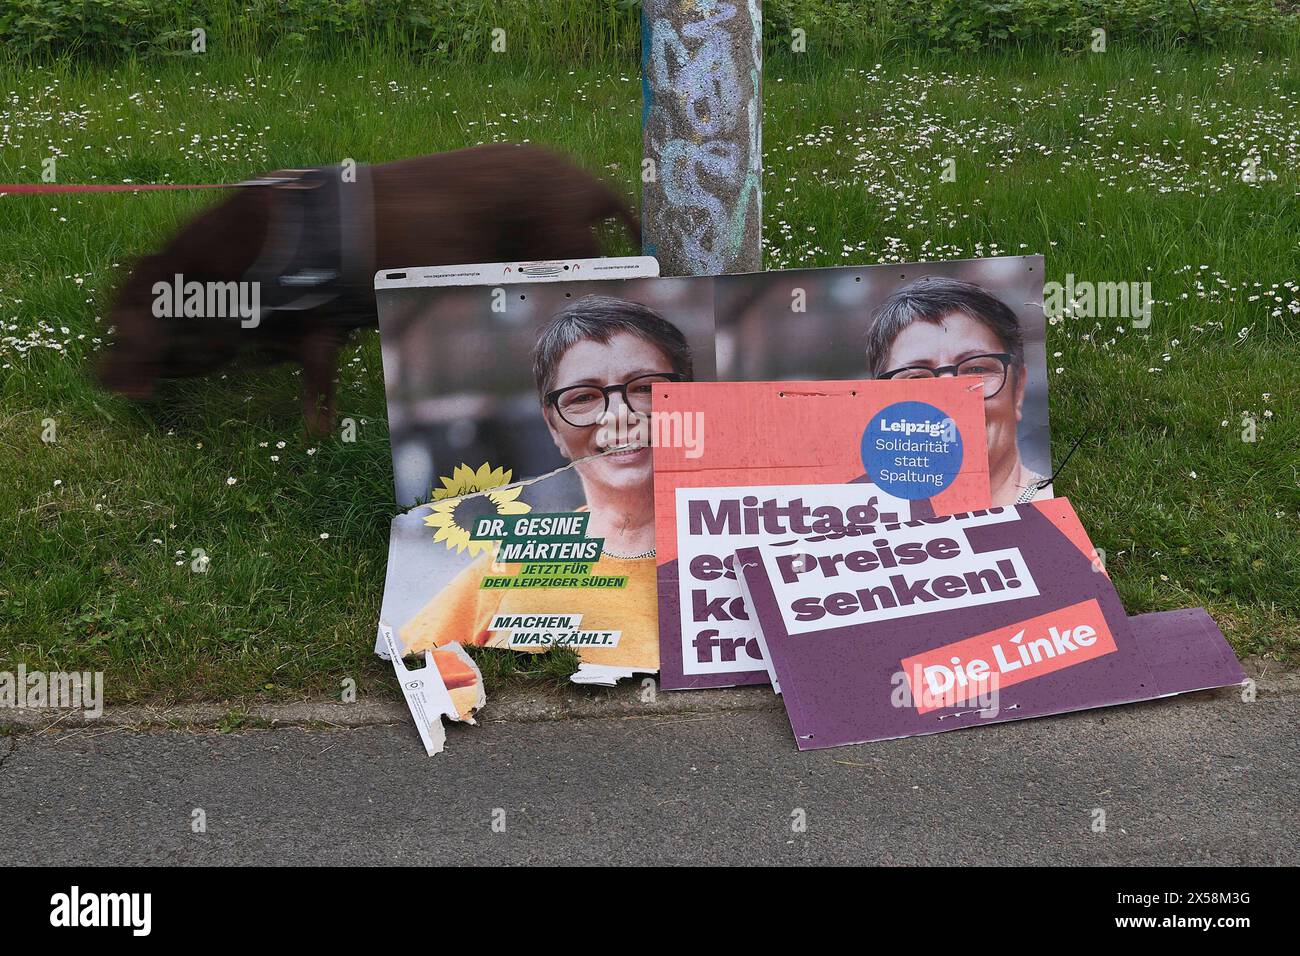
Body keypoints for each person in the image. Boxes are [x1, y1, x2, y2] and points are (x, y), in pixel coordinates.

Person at [400, 295, 693, 672]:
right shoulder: (515, 564)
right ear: (552, 426)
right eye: (583, 397)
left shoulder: (750, 544)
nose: (620, 416)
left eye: (646, 389)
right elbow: (409, 675)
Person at [865, 277, 1050, 506]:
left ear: (1019, 390)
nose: (949, 400)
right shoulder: (845, 525)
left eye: (976, 369)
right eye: (916, 379)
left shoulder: (1069, 516)